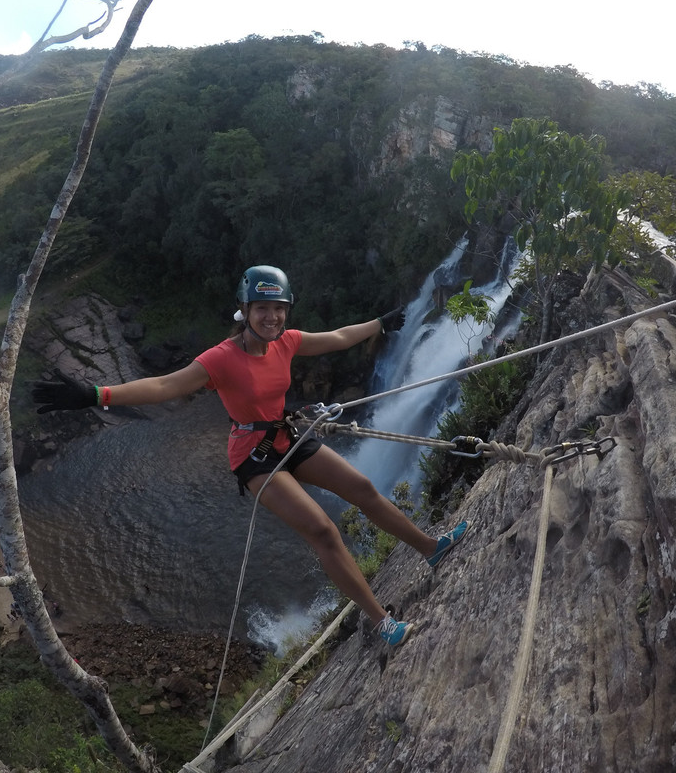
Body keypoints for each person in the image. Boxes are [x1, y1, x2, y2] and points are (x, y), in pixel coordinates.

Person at [32, 265, 469, 648]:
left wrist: (380, 324)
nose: (272, 317)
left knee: (363, 489)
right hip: (255, 455)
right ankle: (380, 621)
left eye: (279, 308)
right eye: (262, 309)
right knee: (322, 530)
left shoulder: (287, 342)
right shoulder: (220, 359)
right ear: (245, 309)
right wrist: (94, 394)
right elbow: (165, 386)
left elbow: (336, 338)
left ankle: (431, 548)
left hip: (287, 435)